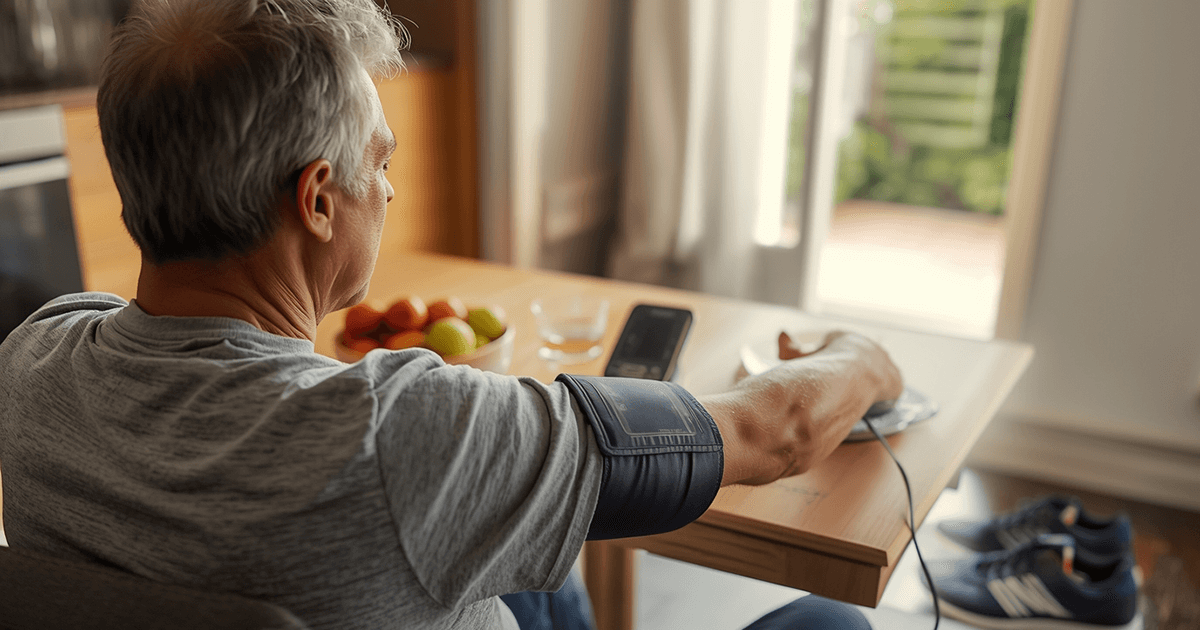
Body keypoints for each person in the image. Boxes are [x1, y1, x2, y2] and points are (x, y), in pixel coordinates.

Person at [0, 1, 902, 629]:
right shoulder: (409, 435)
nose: (388, 190)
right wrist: (862, 354)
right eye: (379, 162)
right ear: (317, 199)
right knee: (829, 620)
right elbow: (775, 431)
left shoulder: (29, 362)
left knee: (542, 559)